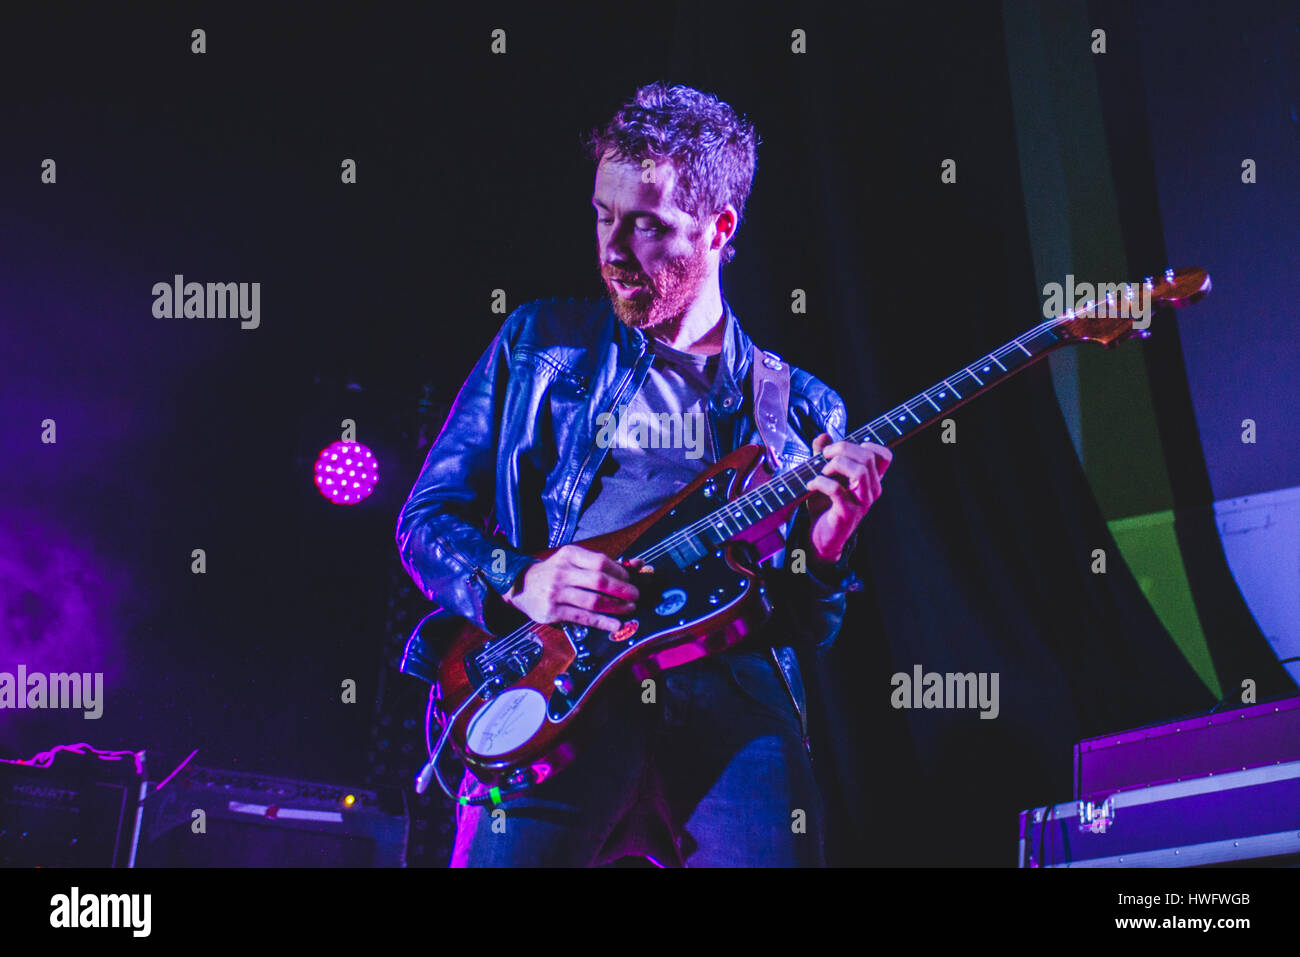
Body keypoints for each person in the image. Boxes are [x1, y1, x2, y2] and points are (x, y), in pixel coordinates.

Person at [395, 82, 892, 866]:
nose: (614, 250)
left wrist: (825, 548)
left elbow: (804, 625)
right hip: (555, 678)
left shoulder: (798, 405)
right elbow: (424, 524)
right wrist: (523, 579)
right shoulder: (539, 342)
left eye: (648, 227)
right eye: (603, 216)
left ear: (720, 228)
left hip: (728, 695)